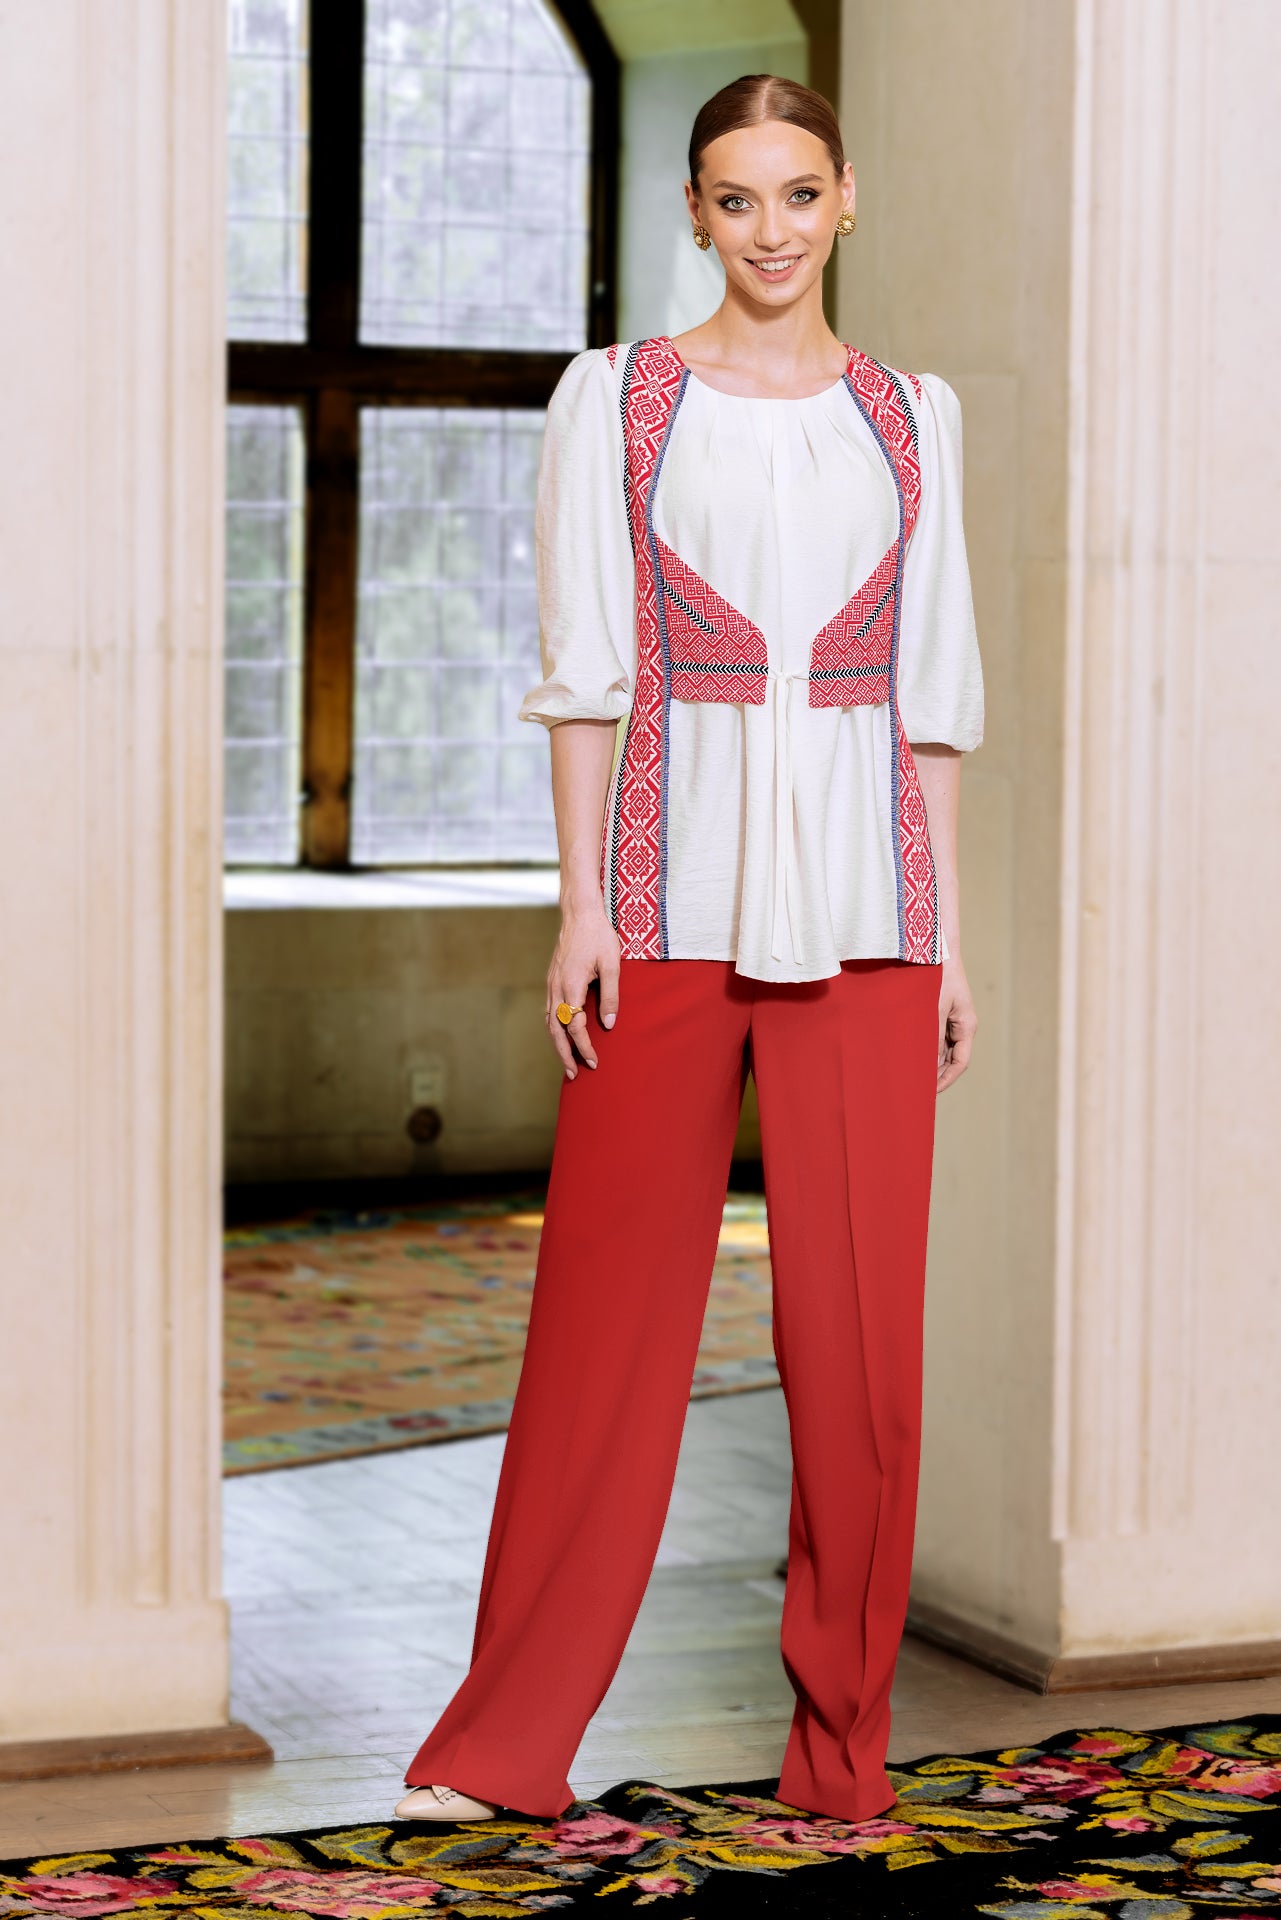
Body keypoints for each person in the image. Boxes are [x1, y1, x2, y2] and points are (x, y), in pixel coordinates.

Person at [394, 72, 983, 1828]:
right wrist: (580, 904)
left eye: (799, 193)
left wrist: (946, 939)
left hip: (873, 922)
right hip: (661, 914)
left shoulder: (913, 416)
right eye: (738, 198)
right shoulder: (619, 400)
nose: (771, 230)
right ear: (695, 212)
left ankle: (841, 1753)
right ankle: (504, 1743)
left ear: (846, 197)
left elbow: (931, 699)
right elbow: (586, 674)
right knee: (602, 1329)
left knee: (862, 1356)